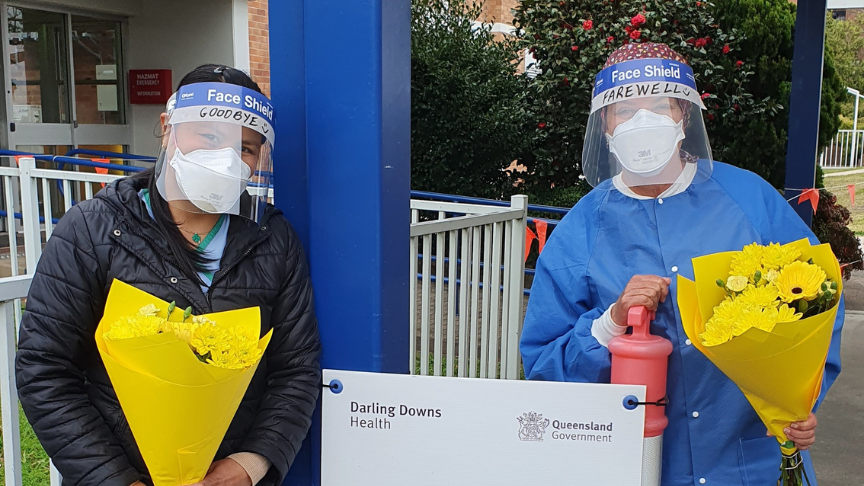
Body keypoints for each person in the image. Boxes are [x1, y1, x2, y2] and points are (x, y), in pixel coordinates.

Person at [520, 43, 843, 485]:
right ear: (605, 125)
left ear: (684, 115)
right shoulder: (580, 230)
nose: (642, 121)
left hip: (750, 462)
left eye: (659, 105)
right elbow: (544, 364)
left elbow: (819, 305)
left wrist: (800, 400)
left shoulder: (749, 200)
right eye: (624, 110)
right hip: (637, 463)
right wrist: (610, 323)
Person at [15, 65, 321, 486]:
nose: (227, 157)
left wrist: (250, 465)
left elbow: (296, 368)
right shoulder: (93, 229)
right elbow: (44, 368)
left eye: (246, 148)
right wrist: (116, 479)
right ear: (167, 127)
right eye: (209, 136)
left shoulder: (274, 239)